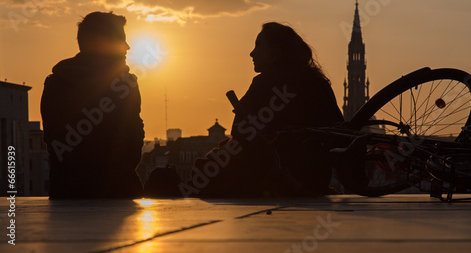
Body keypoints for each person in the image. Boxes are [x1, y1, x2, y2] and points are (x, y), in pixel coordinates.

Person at [183, 22, 344, 197]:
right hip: (314, 178)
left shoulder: (264, 84)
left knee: (203, 170)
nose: (252, 53)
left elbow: (240, 135)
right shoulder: (317, 82)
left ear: (275, 51)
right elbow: (338, 131)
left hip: (270, 178)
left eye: (258, 46)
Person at [41, 12, 144, 199]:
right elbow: (133, 138)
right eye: (121, 40)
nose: (127, 47)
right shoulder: (124, 86)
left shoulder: (55, 84)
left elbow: (53, 140)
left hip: (67, 195)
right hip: (118, 192)